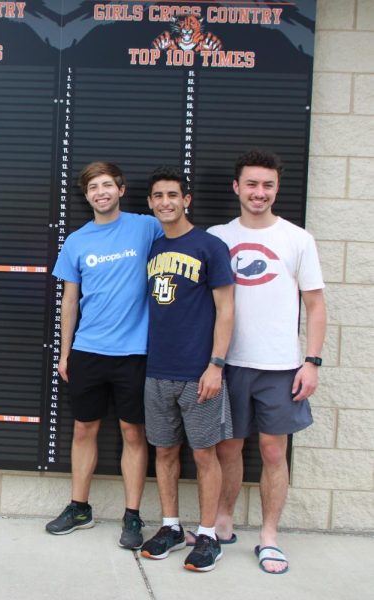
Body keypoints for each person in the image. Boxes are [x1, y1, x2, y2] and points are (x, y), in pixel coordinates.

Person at [207, 149, 326, 574]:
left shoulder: (298, 239)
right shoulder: (217, 237)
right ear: (237, 187)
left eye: (268, 185)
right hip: (228, 364)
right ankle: (222, 523)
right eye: (252, 184)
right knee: (228, 449)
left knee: (275, 452)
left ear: (277, 188)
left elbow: (315, 306)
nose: (260, 193)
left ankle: (270, 537)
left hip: (281, 367)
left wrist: (310, 361)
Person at [47, 161, 163, 548]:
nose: (101, 192)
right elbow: (69, 302)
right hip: (88, 351)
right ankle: (80, 507)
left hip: (135, 352)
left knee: (134, 433)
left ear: (121, 189)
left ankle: (133, 516)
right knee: (84, 429)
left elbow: (182, 239)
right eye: (94, 187)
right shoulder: (77, 241)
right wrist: (65, 354)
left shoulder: (145, 227)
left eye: (107, 185)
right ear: (87, 196)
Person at [139, 167, 235, 572]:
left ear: (187, 200)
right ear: (150, 202)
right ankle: (171, 526)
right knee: (163, 451)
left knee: (204, 453)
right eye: (158, 196)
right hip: (157, 370)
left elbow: (227, 309)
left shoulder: (210, 246)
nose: (165, 202)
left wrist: (215, 365)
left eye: (173, 195)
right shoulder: (155, 248)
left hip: (199, 372)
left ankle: (209, 534)